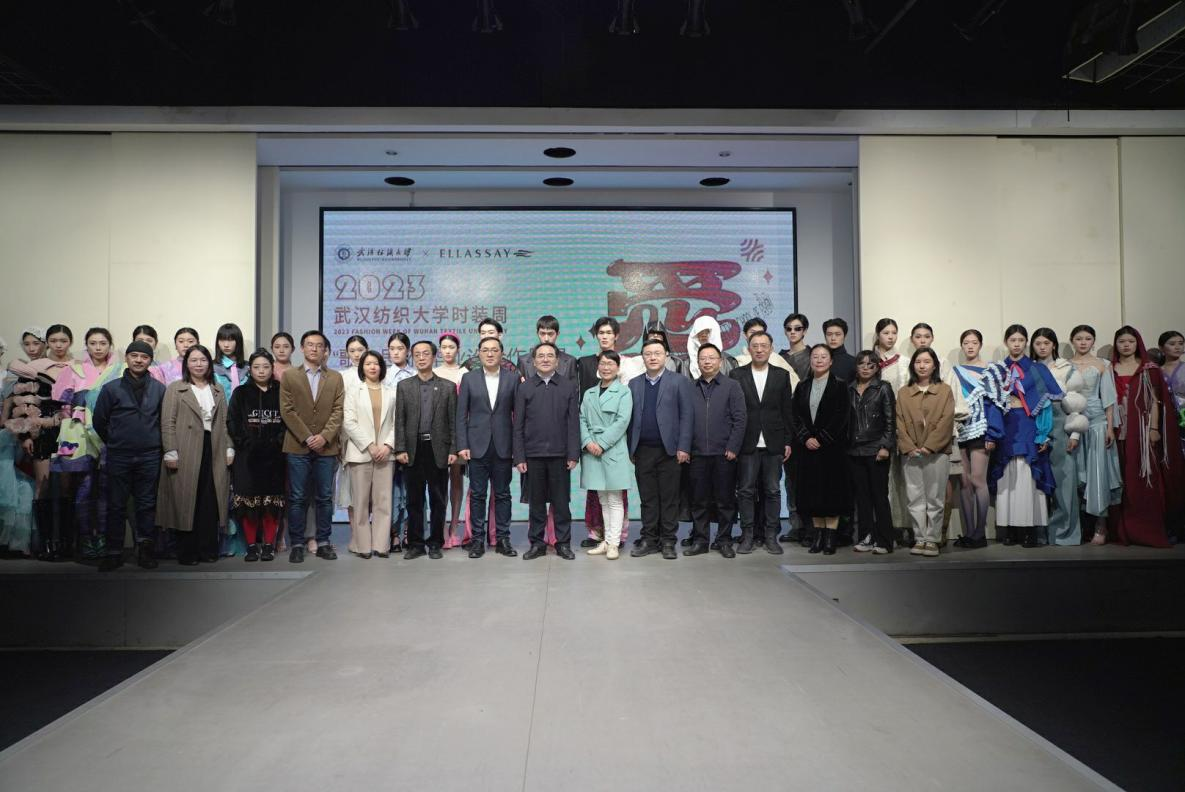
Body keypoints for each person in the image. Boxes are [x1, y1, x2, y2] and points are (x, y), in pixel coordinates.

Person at [981, 325, 1063, 548]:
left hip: (1029, 424)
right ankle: (1008, 529)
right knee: (1006, 476)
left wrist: (1043, 434)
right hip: (1005, 424)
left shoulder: (1037, 369)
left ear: (1026, 342)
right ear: (1006, 342)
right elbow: (990, 403)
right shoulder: (997, 370)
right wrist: (992, 432)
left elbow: (1046, 404)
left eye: (1020, 340)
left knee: (1028, 475)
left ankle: (1030, 530)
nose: (1016, 344)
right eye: (1012, 340)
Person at [93, 340, 166, 571]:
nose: (138, 360)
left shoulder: (159, 389)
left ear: (150, 361)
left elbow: (164, 421)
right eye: (134, 356)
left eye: (144, 357)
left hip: (150, 455)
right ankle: (113, 552)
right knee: (116, 504)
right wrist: (116, 441)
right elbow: (99, 421)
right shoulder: (111, 388)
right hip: (119, 455)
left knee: (147, 504)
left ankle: (144, 550)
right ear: (126, 358)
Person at [158, 345, 234, 566]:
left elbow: (225, 422)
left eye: (203, 360)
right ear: (186, 363)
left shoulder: (217, 389)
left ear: (209, 363)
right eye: (193, 360)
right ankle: (187, 552)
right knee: (186, 500)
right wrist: (170, 450)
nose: (198, 364)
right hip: (185, 448)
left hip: (214, 446)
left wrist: (229, 447)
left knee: (210, 499)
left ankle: (208, 549)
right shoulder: (176, 388)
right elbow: (167, 422)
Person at [1109, 326, 1184, 547]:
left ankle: (1144, 529)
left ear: (1137, 343)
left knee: (1142, 479)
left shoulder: (1148, 369)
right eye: (1122, 341)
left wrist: (1153, 429)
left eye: (1130, 341)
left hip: (1141, 432)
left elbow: (1154, 401)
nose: (1126, 345)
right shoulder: (1110, 369)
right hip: (1117, 430)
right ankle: (1119, 529)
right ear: (1116, 344)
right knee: (1119, 479)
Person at [51, 326, 120, 559]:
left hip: (110, 433)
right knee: (84, 486)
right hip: (80, 434)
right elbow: (62, 404)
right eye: (93, 343)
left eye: (102, 343)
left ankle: (103, 537)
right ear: (86, 345)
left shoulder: (119, 370)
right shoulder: (74, 369)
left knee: (106, 488)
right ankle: (85, 538)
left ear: (110, 345)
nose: (98, 348)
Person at [279, 330, 345, 563]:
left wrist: (324, 437)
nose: (314, 348)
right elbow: (287, 410)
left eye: (319, 345)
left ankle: (324, 542)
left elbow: (338, 411)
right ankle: (297, 543)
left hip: (326, 448)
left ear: (325, 350)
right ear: (302, 348)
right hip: (298, 446)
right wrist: (307, 437)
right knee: (297, 497)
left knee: (324, 497)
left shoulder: (335, 377)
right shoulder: (289, 376)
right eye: (309, 344)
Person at [5, 327, 68, 558]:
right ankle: (45, 542)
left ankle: (64, 542)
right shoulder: (29, 370)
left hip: (67, 429)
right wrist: (25, 436)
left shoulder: (74, 367)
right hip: (40, 432)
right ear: (48, 342)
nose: (59, 345)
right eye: (54, 340)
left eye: (63, 340)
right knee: (43, 486)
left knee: (65, 487)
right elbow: (21, 405)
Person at [627, 338, 693, 559]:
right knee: (648, 499)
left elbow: (687, 416)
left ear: (666, 356)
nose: (653, 357)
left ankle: (668, 541)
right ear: (642, 357)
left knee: (669, 498)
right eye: (648, 354)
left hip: (670, 451)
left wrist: (684, 446)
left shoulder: (679, 381)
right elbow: (630, 419)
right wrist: (631, 448)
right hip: (642, 450)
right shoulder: (634, 384)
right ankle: (649, 539)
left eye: (657, 353)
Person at [514, 342, 580, 560]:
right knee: (536, 504)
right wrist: (519, 456)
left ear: (557, 361)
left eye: (550, 355)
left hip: (560, 455)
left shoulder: (568, 386)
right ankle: (537, 544)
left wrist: (573, 454)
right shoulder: (524, 388)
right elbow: (518, 425)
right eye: (540, 356)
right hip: (532, 455)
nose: (545, 359)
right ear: (533, 362)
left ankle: (563, 543)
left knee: (561, 503)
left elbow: (573, 423)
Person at [455, 335, 519, 558]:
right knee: (478, 495)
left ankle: (503, 539)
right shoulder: (469, 379)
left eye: (494, 350)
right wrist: (462, 444)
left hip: (504, 445)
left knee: (503, 494)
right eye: (485, 350)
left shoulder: (513, 378)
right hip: (476, 446)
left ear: (502, 353)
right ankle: (477, 541)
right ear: (479, 354)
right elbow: (461, 415)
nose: (490, 354)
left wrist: (517, 449)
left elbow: (519, 417)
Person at [394, 340, 457, 560]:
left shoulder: (448, 387)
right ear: (412, 357)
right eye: (417, 354)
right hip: (413, 449)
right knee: (414, 500)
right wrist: (400, 448)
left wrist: (453, 449)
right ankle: (416, 544)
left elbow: (453, 422)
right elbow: (399, 420)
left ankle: (436, 542)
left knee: (438, 499)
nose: (421, 358)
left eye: (426, 354)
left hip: (438, 449)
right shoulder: (404, 386)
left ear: (434, 356)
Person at [732, 331, 794, 555]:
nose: (759, 349)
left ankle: (770, 536)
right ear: (749, 348)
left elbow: (787, 411)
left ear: (771, 348)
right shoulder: (737, 375)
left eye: (764, 345)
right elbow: (733, 411)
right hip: (746, 442)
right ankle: (747, 535)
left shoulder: (781, 375)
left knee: (773, 491)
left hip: (773, 443)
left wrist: (788, 441)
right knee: (745, 491)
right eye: (755, 345)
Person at [575, 317, 631, 549]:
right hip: (591, 446)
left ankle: (616, 539)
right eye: (601, 332)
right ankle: (601, 537)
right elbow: (581, 414)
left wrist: (603, 442)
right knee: (599, 496)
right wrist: (588, 441)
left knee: (616, 498)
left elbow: (623, 419)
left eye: (609, 332)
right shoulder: (585, 366)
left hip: (613, 445)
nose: (605, 336)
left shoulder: (626, 375)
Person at [1065, 325, 1123, 546]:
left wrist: (1110, 428)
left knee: (1098, 474)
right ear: (1072, 341)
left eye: (1088, 338)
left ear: (1093, 341)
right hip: (1072, 422)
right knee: (1076, 475)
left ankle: (1101, 525)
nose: (1083, 342)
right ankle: (1079, 526)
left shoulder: (1103, 364)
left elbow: (1108, 398)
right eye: (1079, 338)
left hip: (1097, 422)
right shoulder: (1064, 365)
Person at [227, 349, 287, 562]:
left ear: (272, 368)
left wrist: (276, 442)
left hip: (275, 456)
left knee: (272, 502)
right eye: (256, 367)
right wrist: (245, 443)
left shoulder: (281, 391)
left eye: (266, 367)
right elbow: (232, 421)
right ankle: (251, 546)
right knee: (248, 502)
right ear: (250, 370)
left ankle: (269, 545)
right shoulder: (241, 393)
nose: (261, 371)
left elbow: (288, 420)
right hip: (247, 457)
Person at [687, 342, 746, 557]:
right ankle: (700, 540)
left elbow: (740, 419)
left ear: (720, 361)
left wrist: (733, 447)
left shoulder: (732, 386)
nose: (707, 362)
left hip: (724, 454)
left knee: (725, 501)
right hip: (697, 454)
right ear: (697, 361)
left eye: (712, 358)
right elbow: (684, 420)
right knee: (698, 501)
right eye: (703, 358)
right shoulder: (690, 387)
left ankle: (724, 540)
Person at [896, 349, 956, 557]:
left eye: (927, 361)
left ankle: (932, 539)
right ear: (913, 365)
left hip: (937, 453)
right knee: (914, 497)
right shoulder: (904, 392)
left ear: (934, 365)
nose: (922, 366)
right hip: (911, 453)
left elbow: (946, 421)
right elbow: (899, 422)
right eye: (918, 362)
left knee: (935, 497)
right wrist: (909, 447)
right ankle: (919, 537)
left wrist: (930, 446)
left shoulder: (944, 390)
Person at [793, 344, 851, 555]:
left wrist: (822, 438)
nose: (819, 360)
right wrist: (806, 438)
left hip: (832, 450)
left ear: (831, 361)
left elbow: (842, 416)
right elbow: (795, 415)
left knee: (831, 493)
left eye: (823, 357)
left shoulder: (840, 386)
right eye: (815, 357)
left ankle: (830, 538)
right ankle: (817, 536)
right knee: (812, 493)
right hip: (807, 449)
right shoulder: (802, 386)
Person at [1032, 328, 1085, 545]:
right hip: (1034, 425)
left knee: (1064, 479)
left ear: (1054, 344)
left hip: (1061, 423)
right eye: (1038, 343)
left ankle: (1064, 533)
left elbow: (1076, 402)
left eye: (1046, 343)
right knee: (1036, 480)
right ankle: (1038, 532)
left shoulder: (1065, 368)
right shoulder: (1028, 368)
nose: (1042, 347)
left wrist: (1075, 433)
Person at [342, 350, 396, 559]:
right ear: (361, 368)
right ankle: (362, 545)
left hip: (385, 453)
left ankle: (381, 545)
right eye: (368, 364)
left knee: (383, 501)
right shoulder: (354, 391)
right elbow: (349, 422)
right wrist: (370, 446)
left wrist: (387, 445)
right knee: (361, 502)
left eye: (376, 363)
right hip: (360, 453)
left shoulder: (392, 392)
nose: (372, 367)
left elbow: (397, 422)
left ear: (382, 367)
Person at [848, 350, 896, 554]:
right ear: (856, 367)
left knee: (879, 496)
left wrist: (885, 446)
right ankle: (866, 537)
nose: (866, 368)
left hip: (877, 449)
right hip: (854, 450)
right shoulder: (849, 389)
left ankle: (885, 540)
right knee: (862, 497)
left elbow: (891, 420)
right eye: (862, 364)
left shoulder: (883, 387)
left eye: (871, 364)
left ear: (877, 367)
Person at [951, 330, 992, 549]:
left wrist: (993, 433)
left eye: (974, 342)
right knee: (964, 482)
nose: (970, 346)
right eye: (966, 343)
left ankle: (980, 533)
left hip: (981, 428)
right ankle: (968, 533)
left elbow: (996, 403)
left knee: (978, 479)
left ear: (980, 345)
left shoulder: (990, 370)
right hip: (960, 428)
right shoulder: (955, 371)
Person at [434, 333, 469, 549]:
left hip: (459, 432)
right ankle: (440, 527)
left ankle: (454, 529)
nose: (447, 351)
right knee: (438, 482)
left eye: (451, 347)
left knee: (456, 480)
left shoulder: (465, 373)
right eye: (444, 347)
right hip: (438, 434)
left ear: (458, 349)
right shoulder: (434, 372)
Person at [384, 332, 416, 551]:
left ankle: (409, 533)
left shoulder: (416, 374)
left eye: (400, 348)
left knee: (411, 488)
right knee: (391, 489)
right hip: (388, 437)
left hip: (412, 437)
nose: (396, 352)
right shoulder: (383, 375)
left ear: (408, 351)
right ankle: (393, 534)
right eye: (392, 349)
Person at [518, 315, 578, 382]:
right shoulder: (523, 361)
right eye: (542, 333)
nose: (546, 339)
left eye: (550, 334)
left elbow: (574, 388)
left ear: (558, 334)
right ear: (537, 333)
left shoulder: (570, 361)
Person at [686, 314, 739, 379]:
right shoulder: (685, 364)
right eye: (700, 332)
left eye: (707, 332)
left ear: (714, 334)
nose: (704, 335)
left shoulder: (729, 361)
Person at [1159, 330, 1184, 459]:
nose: (1177, 347)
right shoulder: (1156, 371)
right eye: (1172, 344)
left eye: (1181, 343)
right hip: (1165, 420)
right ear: (1161, 348)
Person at [213, 322, 247, 400]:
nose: (226, 345)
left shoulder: (248, 368)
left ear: (238, 341)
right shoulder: (211, 367)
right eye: (222, 340)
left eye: (231, 340)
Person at [779, 312, 812, 382]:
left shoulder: (812, 355)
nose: (792, 332)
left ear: (804, 331)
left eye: (797, 328)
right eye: (789, 328)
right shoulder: (781, 357)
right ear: (785, 331)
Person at [822, 318, 856, 383]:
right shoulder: (817, 360)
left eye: (837, 334)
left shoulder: (853, 362)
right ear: (825, 336)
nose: (833, 338)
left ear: (845, 336)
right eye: (829, 334)